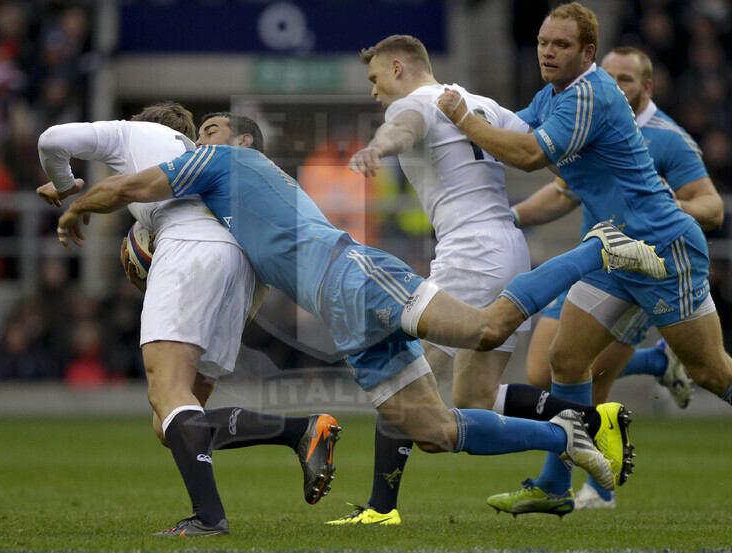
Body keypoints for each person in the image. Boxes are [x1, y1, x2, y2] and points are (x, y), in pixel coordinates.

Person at [54, 115, 669, 519]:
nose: (199, 141)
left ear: (240, 144)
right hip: (346, 319)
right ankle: (566, 435)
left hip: (357, 277)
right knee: (431, 431)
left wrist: (77, 203)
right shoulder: (237, 214)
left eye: (210, 130)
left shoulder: (228, 164)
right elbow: (251, 293)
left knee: (486, 328)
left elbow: (131, 187)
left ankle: (599, 246)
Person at [436, 2, 732, 517]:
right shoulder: (554, 95)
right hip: (614, 251)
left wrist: (460, 115)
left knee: (711, 373)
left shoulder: (592, 96)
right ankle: (555, 486)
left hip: (663, 250)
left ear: (586, 52)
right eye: (543, 42)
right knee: (564, 362)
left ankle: (661, 370)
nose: (548, 52)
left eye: (562, 45)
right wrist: (443, 116)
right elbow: (508, 127)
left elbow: (528, 154)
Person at [37, 105, 342, 537]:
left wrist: (67, 187)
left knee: (167, 390)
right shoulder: (206, 161)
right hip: (238, 264)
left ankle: (208, 518)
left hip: (189, 251)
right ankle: (301, 431)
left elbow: (52, 139)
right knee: (173, 424)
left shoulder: (137, 135)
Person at [326, 34, 530, 525]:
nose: (374, 91)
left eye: (375, 79)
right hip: (509, 245)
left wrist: (378, 146)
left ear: (398, 67)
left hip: (470, 255)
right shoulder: (481, 104)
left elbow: (407, 126)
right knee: (475, 399)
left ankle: (380, 509)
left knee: (400, 374)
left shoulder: (414, 103)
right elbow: (532, 145)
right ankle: (582, 420)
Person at [513, 46, 724, 509]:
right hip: (605, 258)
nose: (614, 86)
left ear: (647, 87)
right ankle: (654, 365)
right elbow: (564, 191)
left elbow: (713, 206)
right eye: (608, 76)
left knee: (705, 371)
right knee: (553, 367)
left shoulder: (669, 138)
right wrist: (512, 217)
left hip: (656, 259)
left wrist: (669, 205)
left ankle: (597, 490)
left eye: (626, 79)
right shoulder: (593, 119)